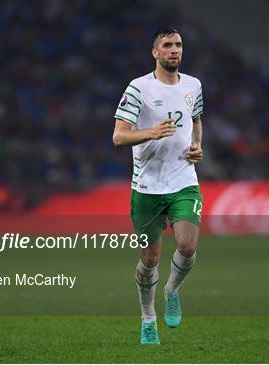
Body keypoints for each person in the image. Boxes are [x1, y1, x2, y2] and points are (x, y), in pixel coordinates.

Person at [112, 27, 204, 345]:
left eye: (178, 44)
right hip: (147, 186)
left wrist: (197, 145)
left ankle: (172, 290)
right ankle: (148, 318)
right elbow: (118, 136)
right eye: (167, 45)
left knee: (187, 246)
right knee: (150, 259)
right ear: (155, 53)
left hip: (183, 180)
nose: (174, 50)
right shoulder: (139, 88)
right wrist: (150, 133)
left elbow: (196, 118)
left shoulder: (194, 85)